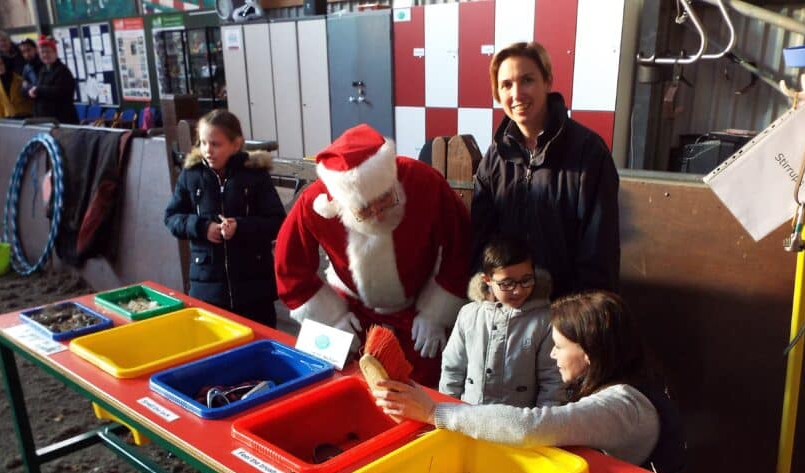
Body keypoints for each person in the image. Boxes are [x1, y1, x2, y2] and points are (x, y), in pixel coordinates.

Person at [374, 291, 685, 473]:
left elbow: (529, 427)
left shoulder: (622, 407)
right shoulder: (625, 381)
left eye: (560, 346)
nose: (552, 354)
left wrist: (433, 413)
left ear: (590, 352)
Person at [274, 123, 469, 386]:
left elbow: (461, 244)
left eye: (386, 200)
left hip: (417, 312)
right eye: (364, 210)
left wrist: (436, 313)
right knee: (344, 386)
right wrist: (330, 317)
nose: (378, 214)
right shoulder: (315, 202)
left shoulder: (423, 181)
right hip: (351, 313)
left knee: (425, 389)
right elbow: (290, 266)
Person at [471, 41, 620, 299]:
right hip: (508, 307)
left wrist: (577, 325)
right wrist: (489, 297)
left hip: (564, 311)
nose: (516, 94)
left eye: (527, 80)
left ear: (548, 81)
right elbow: (481, 242)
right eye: (506, 85)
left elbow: (599, 254)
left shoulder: (589, 153)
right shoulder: (495, 157)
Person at [164, 109, 286, 327]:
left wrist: (240, 227)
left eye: (216, 144)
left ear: (236, 144)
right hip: (207, 288)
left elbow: (277, 221)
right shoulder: (191, 175)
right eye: (203, 143)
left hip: (254, 290)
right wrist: (202, 227)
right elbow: (172, 217)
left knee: (257, 347)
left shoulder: (255, 175)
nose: (207, 151)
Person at [439, 235, 566, 408]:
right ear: (487, 280)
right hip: (470, 419)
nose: (518, 290)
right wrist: (446, 413)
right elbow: (452, 369)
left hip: (521, 425)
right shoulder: (469, 315)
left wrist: (543, 426)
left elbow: (553, 380)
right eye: (507, 283)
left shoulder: (545, 320)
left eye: (526, 280)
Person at [28, 36, 78, 124]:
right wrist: (32, 90)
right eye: (42, 52)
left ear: (55, 53)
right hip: (45, 120)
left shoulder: (62, 70)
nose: (45, 55)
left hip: (61, 120)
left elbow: (59, 91)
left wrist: (38, 90)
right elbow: (37, 86)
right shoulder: (43, 70)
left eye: (48, 52)